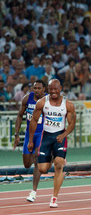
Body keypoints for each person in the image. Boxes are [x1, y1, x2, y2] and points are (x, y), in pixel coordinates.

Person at [27, 79, 76, 208]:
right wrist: (31, 140)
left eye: (56, 89)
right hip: (46, 137)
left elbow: (72, 123)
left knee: (59, 166)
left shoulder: (68, 104)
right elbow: (34, 120)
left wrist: (64, 135)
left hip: (60, 136)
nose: (53, 91)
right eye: (51, 89)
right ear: (48, 89)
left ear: (60, 89)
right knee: (42, 169)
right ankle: (54, 156)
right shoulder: (42, 103)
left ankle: (54, 198)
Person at [13, 79, 47, 202]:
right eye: (35, 88)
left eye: (39, 88)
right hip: (29, 133)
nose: (36, 90)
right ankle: (45, 159)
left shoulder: (48, 100)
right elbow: (19, 115)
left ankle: (33, 192)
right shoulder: (27, 99)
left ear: (44, 89)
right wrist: (16, 134)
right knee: (27, 164)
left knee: (37, 159)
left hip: (42, 134)